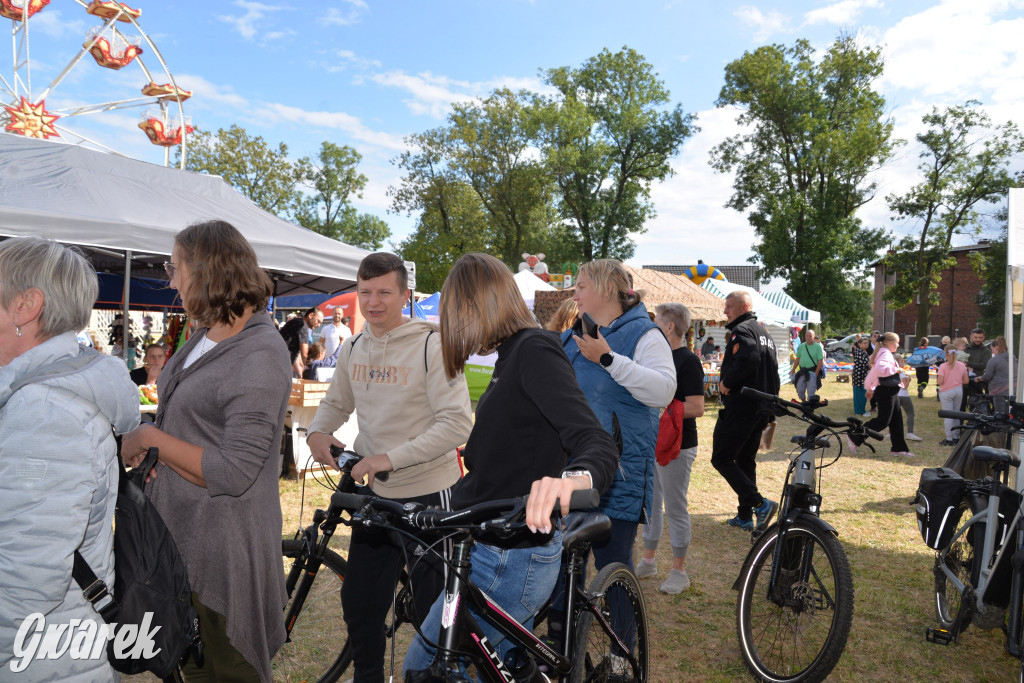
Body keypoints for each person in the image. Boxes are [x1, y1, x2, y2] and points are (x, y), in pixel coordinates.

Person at [403, 253, 618, 676]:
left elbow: (594, 440)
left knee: (423, 667)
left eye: (453, 316)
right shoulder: (510, 355)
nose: (452, 330)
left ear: (476, 306)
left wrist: (569, 482)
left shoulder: (534, 349)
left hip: (511, 557)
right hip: (488, 545)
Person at [121, 220, 292, 682]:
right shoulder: (205, 333)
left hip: (222, 547)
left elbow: (233, 470)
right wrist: (158, 446)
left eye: (174, 267)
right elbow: (190, 424)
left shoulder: (258, 351)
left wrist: (153, 440)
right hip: (183, 536)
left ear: (207, 269)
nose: (171, 279)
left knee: (222, 669)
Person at [307, 252, 473, 683]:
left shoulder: (431, 344)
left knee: (434, 612)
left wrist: (387, 458)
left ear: (405, 294)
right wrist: (318, 431)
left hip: (429, 493)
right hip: (376, 496)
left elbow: (457, 422)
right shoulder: (354, 346)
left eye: (384, 292)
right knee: (360, 602)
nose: (374, 301)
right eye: (365, 292)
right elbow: (336, 402)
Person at [0, 237, 140, 681]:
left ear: (26, 306)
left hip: (38, 656)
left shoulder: (45, 410)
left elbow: (26, 575)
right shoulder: (46, 393)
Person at [558, 260, 675, 583]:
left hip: (617, 474)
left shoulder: (645, 334)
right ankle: (562, 634)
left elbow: (664, 390)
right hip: (570, 468)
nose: (575, 293)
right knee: (563, 565)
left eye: (581, 286)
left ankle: (622, 635)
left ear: (607, 289)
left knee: (612, 569)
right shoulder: (573, 335)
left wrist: (608, 359)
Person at [636, 303, 704, 594]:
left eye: (657, 321)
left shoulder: (688, 360)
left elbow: (697, 407)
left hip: (678, 444)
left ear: (670, 327)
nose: (652, 325)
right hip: (653, 440)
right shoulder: (658, 357)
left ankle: (679, 571)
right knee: (651, 504)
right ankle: (648, 560)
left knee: (675, 507)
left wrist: (658, 404)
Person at [711, 291, 780, 532]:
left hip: (742, 406)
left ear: (743, 307)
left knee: (721, 458)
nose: (725, 311)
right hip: (760, 407)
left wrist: (726, 382)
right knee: (744, 460)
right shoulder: (764, 333)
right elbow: (772, 370)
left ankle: (760, 505)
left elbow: (749, 358)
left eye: (729, 307)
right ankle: (744, 516)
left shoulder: (742, 332)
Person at [848, 332, 914, 457]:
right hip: (886, 391)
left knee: (896, 421)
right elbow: (880, 369)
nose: (898, 345)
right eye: (897, 342)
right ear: (890, 343)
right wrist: (897, 369)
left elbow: (873, 373)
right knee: (883, 421)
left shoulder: (883, 352)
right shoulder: (885, 353)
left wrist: (870, 389)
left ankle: (899, 449)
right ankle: (854, 435)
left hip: (889, 390)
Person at [937, 344, 970, 446]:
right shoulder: (962, 365)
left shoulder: (943, 366)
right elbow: (966, 381)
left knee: (948, 415)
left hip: (946, 391)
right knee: (956, 414)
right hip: (958, 390)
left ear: (946, 354)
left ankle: (949, 438)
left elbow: (939, 381)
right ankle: (956, 436)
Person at [280, 306, 324, 378]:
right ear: (310, 315)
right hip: (280, 364)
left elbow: (294, 353)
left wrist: (299, 373)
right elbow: (304, 353)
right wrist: (309, 369)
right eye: (318, 321)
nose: (319, 325)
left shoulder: (297, 322)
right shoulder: (302, 325)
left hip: (278, 362)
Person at [978, 336, 1015, 410]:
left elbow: (987, 376)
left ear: (996, 348)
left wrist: (979, 378)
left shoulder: (994, 360)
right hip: (1014, 388)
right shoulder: (1013, 357)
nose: (992, 352)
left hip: (1000, 390)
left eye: (992, 349)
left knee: (1000, 413)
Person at [894, 354, 921, 441]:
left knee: (895, 415)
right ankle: (910, 433)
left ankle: (892, 432)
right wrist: (908, 380)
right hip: (903, 395)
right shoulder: (901, 372)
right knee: (910, 413)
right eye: (902, 361)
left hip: (895, 395)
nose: (904, 362)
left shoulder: (891, 371)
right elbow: (904, 386)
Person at [794, 328, 824, 401]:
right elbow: (798, 358)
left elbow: (820, 361)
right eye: (806, 336)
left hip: (812, 372)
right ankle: (804, 403)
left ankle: (809, 408)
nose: (808, 337)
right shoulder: (802, 346)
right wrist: (793, 369)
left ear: (813, 337)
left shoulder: (817, 347)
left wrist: (816, 373)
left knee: (811, 393)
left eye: (810, 336)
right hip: (802, 372)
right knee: (799, 389)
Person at [851, 335, 872, 417]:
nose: (867, 344)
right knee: (860, 393)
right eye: (864, 343)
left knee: (860, 393)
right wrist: (871, 365)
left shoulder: (862, 351)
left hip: (861, 375)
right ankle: (860, 411)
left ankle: (859, 410)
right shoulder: (859, 351)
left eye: (867, 343)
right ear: (859, 344)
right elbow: (865, 363)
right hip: (860, 375)